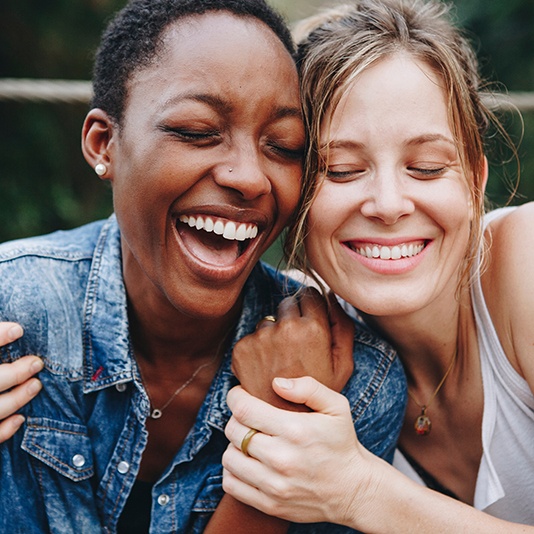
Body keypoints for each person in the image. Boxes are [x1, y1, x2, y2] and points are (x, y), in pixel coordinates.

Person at [0, 0, 407, 532]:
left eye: (284, 146)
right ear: (105, 144)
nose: (250, 177)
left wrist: (286, 428)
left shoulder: (352, 387)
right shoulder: (14, 321)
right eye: (196, 131)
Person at [221, 0, 534, 531]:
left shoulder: (525, 261)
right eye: (341, 171)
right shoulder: (299, 330)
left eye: (427, 167)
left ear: (476, 180)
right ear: (295, 197)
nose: (388, 204)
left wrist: (361, 491)